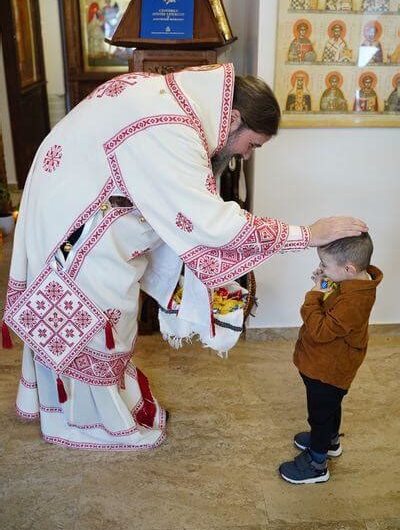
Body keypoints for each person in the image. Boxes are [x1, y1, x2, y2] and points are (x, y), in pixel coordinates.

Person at [2, 63, 367, 450]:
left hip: (76, 206)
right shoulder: (173, 129)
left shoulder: (176, 99)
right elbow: (212, 224)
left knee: (109, 319)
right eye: (252, 144)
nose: (246, 155)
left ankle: (91, 406)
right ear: (234, 118)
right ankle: (86, 422)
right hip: (75, 227)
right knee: (98, 323)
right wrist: (307, 235)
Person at [279, 234, 383, 484]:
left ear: (348, 268)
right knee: (329, 406)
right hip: (328, 364)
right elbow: (335, 300)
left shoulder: (355, 300)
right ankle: (329, 441)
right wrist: (325, 284)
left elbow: (321, 329)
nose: (321, 269)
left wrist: (314, 294)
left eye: (325, 265)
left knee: (320, 414)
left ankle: (317, 464)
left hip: (328, 368)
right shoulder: (355, 282)